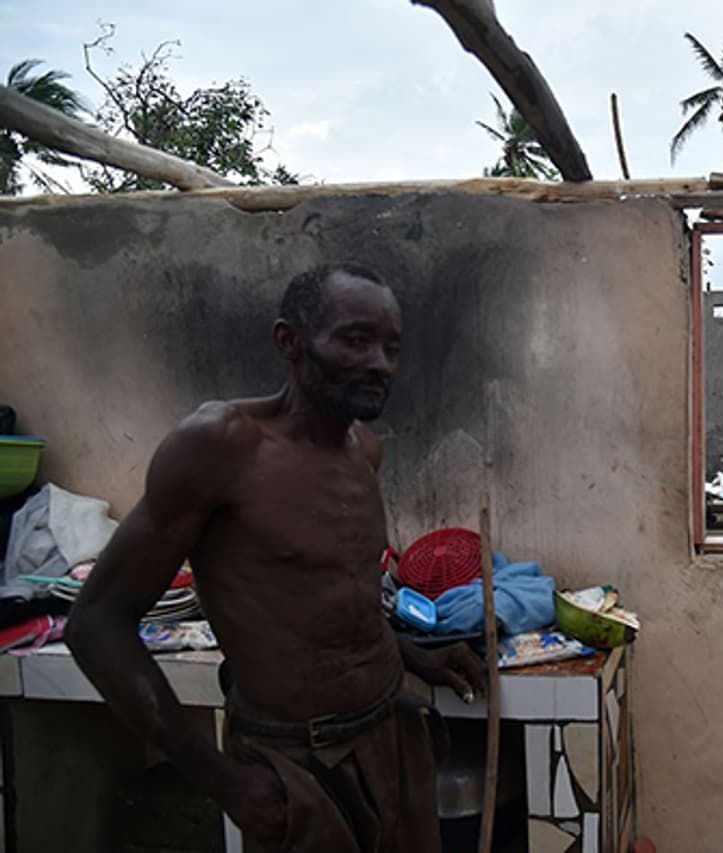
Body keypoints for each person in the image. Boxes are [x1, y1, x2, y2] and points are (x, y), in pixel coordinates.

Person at [66, 261, 485, 852]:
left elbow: (334, 598)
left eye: (391, 346)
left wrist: (419, 656)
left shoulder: (364, 451)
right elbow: (96, 623)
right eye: (356, 339)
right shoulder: (220, 445)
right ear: (289, 340)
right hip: (298, 764)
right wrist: (223, 782)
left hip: (392, 738)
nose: (380, 364)